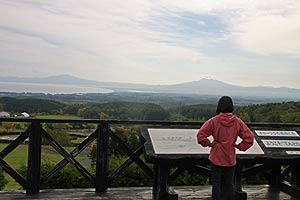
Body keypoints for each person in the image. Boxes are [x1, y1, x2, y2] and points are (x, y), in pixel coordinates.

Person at [197, 96, 254, 200]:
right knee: (229, 184)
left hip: (216, 156)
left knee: (216, 185)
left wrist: (209, 143)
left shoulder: (214, 121)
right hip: (230, 157)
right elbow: (249, 138)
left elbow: (200, 135)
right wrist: (239, 146)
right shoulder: (238, 122)